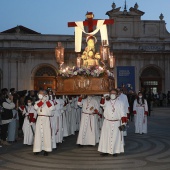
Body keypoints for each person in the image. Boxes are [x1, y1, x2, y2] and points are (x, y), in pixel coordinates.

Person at [98, 89, 126, 156]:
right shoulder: (106, 102)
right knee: (106, 137)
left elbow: (123, 114)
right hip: (107, 122)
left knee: (116, 137)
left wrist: (123, 124)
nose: (113, 95)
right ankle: (105, 151)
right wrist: (103, 97)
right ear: (109, 94)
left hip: (116, 122)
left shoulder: (120, 103)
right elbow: (101, 104)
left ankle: (115, 151)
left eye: (114, 93)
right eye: (111, 93)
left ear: (117, 94)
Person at [33, 90, 55, 156]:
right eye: (39, 94)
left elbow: (52, 108)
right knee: (38, 134)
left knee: (46, 134)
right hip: (39, 119)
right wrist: (42, 101)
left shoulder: (50, 102)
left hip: (46, 119)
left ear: (45, 94)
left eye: (41, 94)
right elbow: (35, 107)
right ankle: (37, 149)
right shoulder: (37, 102)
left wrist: (47, 101)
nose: (39, 95)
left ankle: (46, 149)